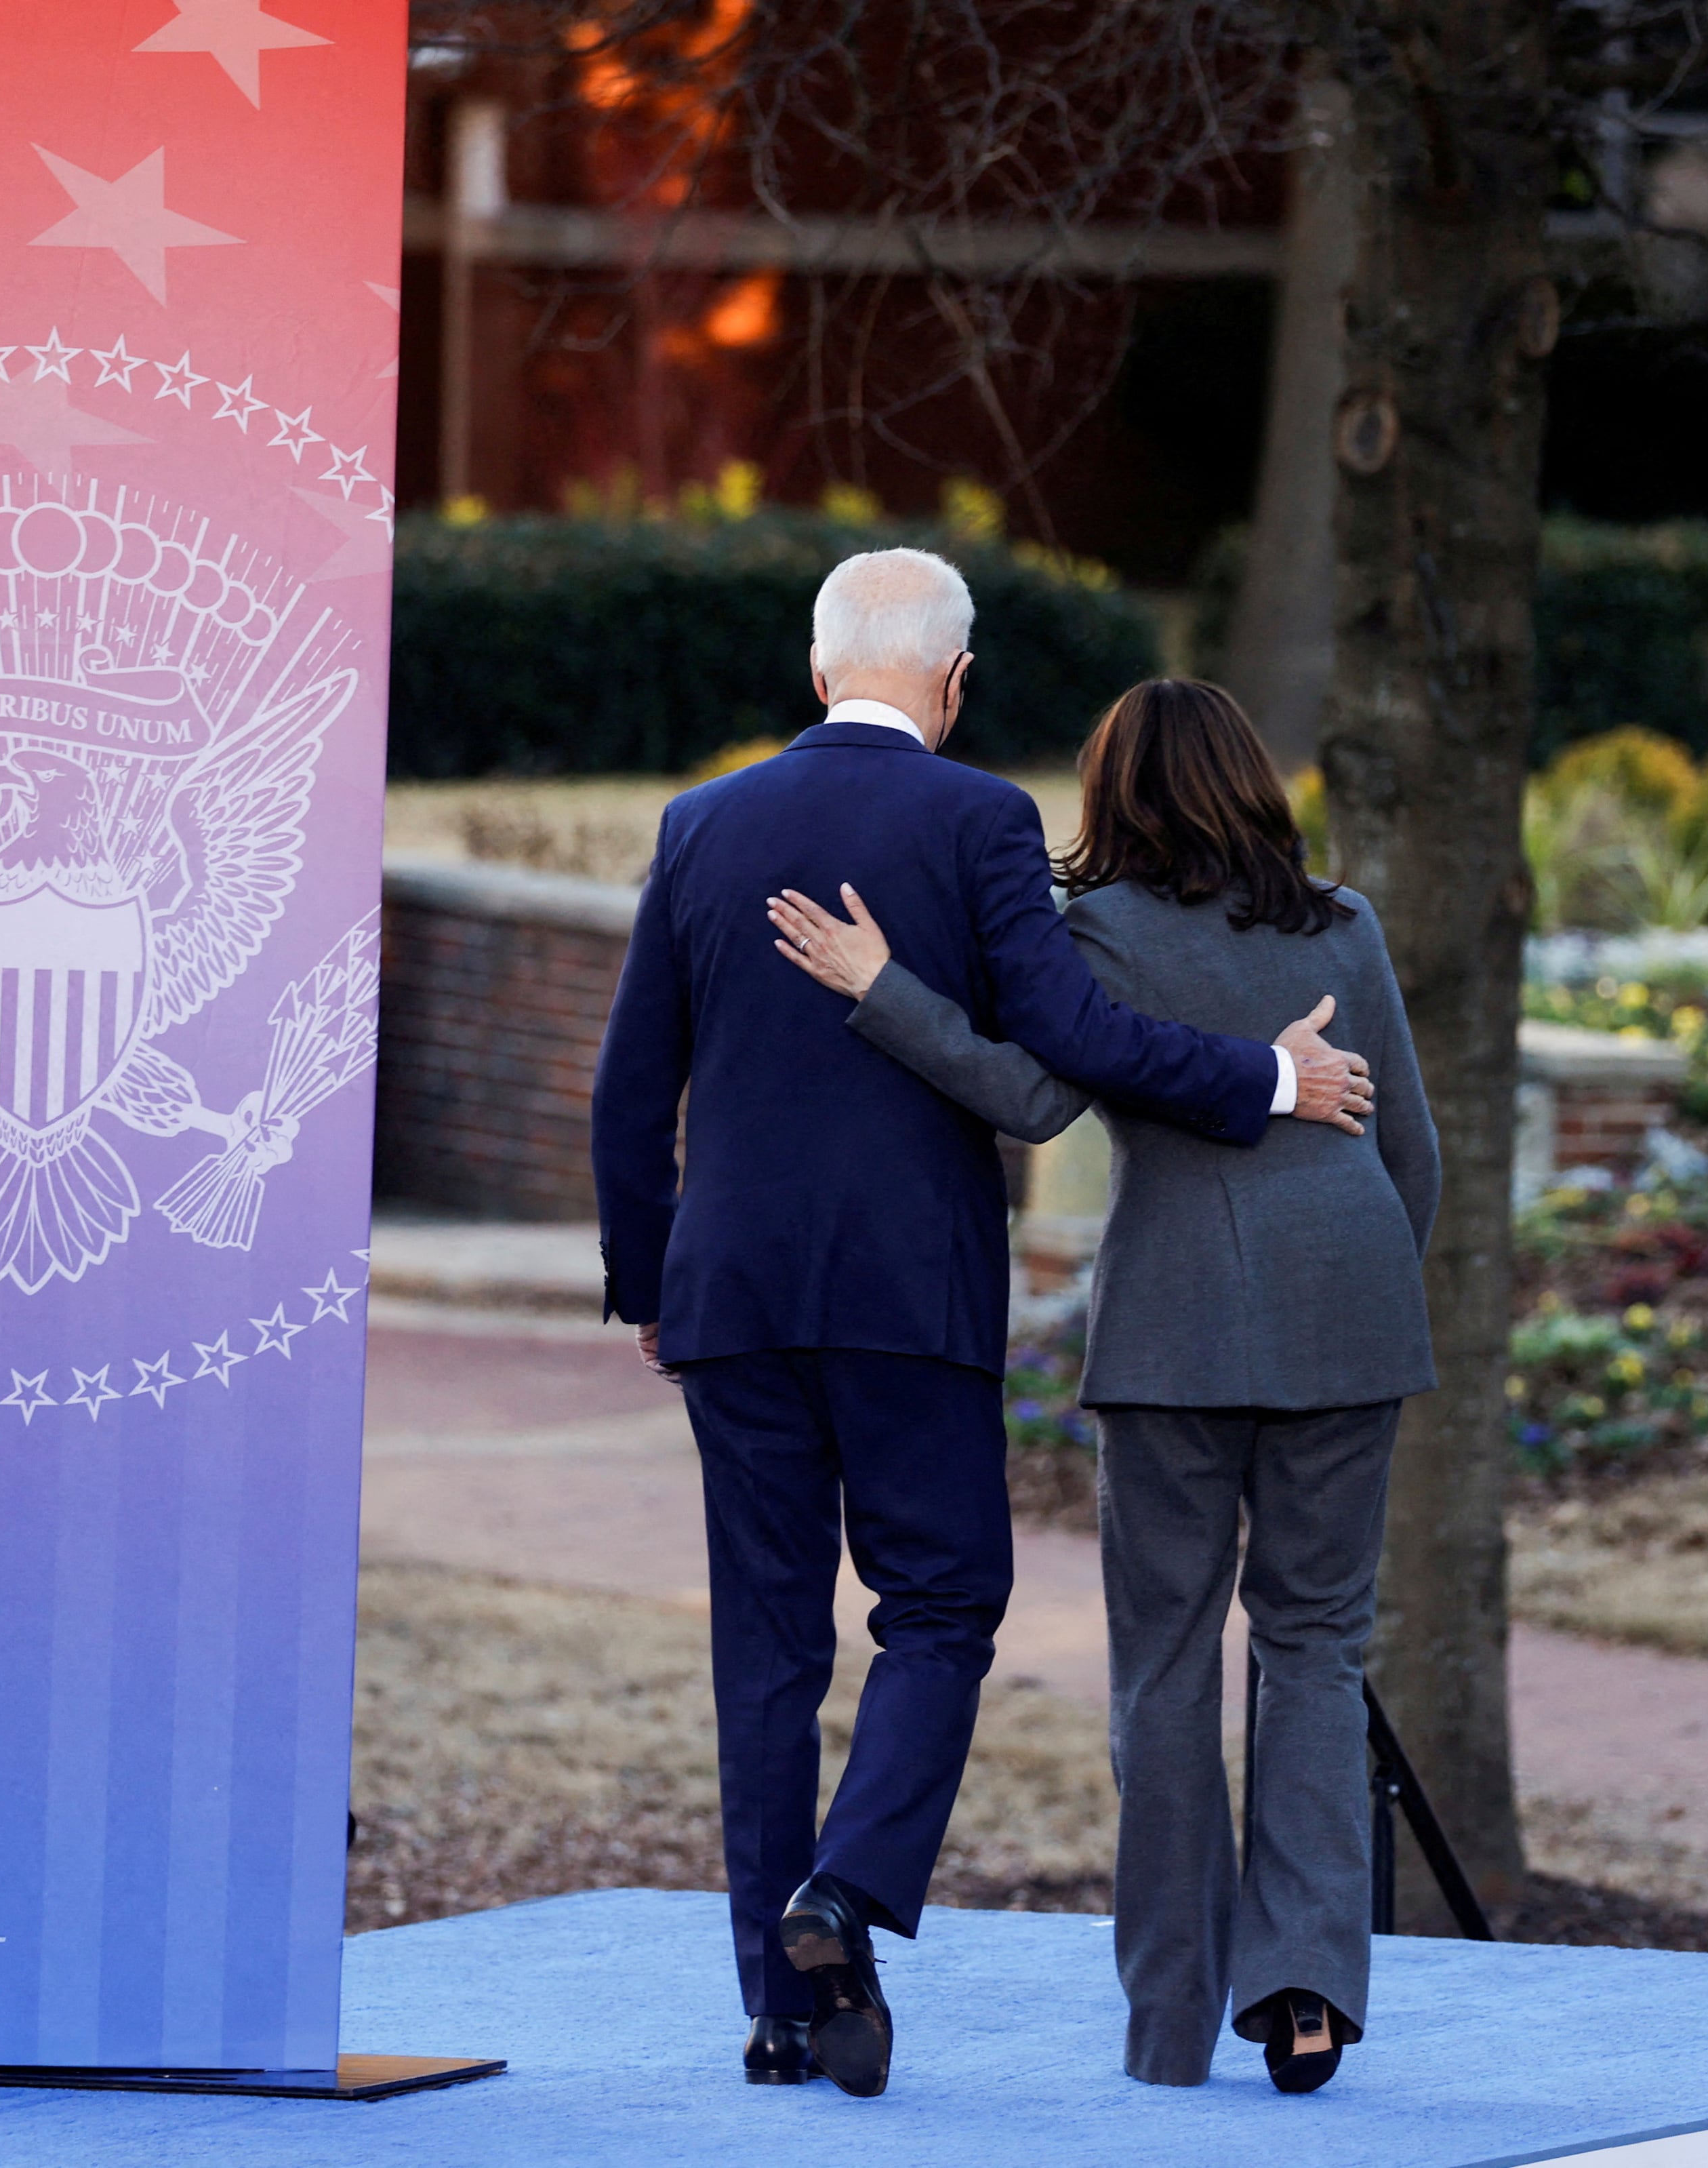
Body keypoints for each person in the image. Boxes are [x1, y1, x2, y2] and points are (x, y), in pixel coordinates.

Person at [592, 553, 1375, 2100]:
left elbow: (631, 1088)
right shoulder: (978, 819)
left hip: (733, 1298)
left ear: (820, 674)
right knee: (939, 1610)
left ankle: (784, 2006)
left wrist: (651, 1279)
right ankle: (845, 1894)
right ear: (953, 681)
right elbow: (1069, 1044)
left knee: (762, 1649)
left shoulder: (700, 825)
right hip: (910, 1297)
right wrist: (1268, 1081)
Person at [765, 677, 1436, 2095]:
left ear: (1110, 798)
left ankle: (1171, 2026)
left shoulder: (1101, 935)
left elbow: (1031, 1098)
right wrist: (1356, 1297)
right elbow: (1412, 1157)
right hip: (1348, 1314)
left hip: (1177, 1334)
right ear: (1254, 785)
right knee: (1316, 1647)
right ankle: (1308, 1991)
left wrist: (880, 989)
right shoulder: (1348, 926)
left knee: (1168, 1664)